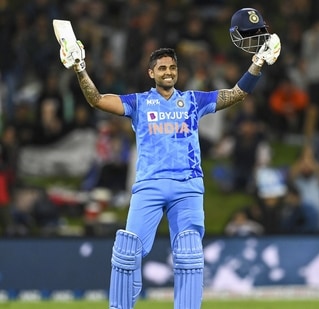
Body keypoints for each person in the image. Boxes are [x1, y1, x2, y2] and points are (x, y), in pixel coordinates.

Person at [57, 7, 281, 309]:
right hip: (149, 185)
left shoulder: (192, 100)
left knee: (189, 254)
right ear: (151, 73)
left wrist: (258, 63)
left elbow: (236, 93)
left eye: (172, 68)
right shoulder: (138, 102)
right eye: (162, 68)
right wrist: (79, 68)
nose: (168, 72)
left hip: (187, 185)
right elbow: (97, 100)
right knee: (126, 250)